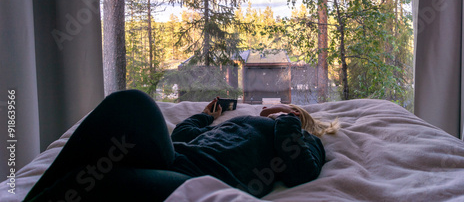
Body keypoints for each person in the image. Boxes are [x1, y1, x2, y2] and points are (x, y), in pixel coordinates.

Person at [24, 89, 339, 201]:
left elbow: (302, 173)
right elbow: (176, 142)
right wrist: (204, 118)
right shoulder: (244, 122)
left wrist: (289, 119)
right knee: (130, 104)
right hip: (174, 159)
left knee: (98, 178)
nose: (278, 108)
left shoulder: (303, 138)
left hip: (200, 181)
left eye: (290, 108)